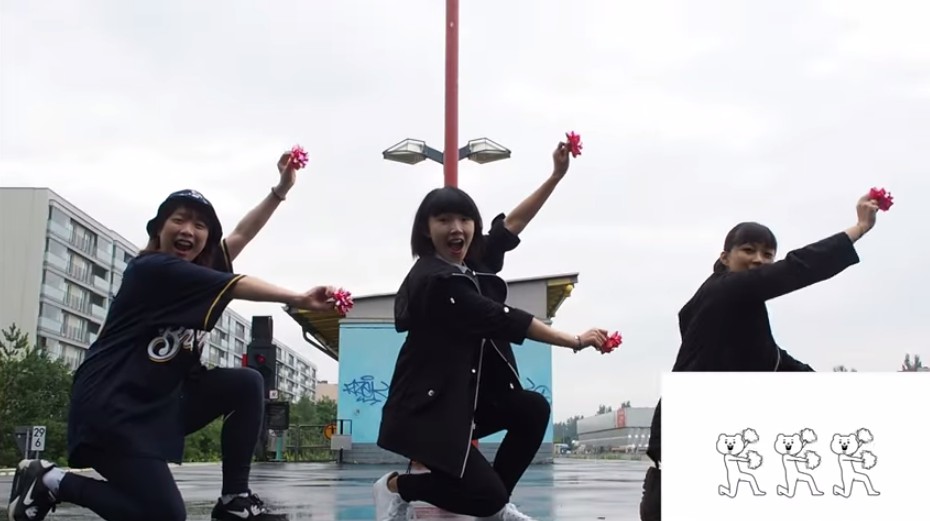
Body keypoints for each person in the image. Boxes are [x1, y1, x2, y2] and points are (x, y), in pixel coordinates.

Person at [7, 188, 342, 521]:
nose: (188, 230)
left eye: (199, 225)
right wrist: (299, 298)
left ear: (207, 239)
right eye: (179, 220)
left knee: (246, 383)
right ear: (158, 230)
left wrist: (280, 190)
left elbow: (241, 234)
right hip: (113, 407)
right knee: (165, 515)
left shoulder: (198, 275)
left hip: (158, 404)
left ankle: (234, 500)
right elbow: (238, 284)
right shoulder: (152, 268)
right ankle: (50, 481)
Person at [638, 192, 882, 521]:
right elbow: (798, 268)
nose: (759, 260)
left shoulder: (722, 302)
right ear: (725, 257)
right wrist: (859, 228)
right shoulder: (727, 288)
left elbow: (770, 358)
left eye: (768, 254)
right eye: (748, 250)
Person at [373, 186, 611, 521]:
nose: (457, 228)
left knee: (531, 409)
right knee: (484, 496)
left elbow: (509, 227)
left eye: (465, 219)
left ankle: (496, 507)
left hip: (463, 405)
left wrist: (557, 176)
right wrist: (574, 340)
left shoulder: (470, 263)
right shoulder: (436, 280)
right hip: (427, 413)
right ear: (426, 229)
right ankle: (397, 487)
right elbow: (502, 318)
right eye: (444, 220)